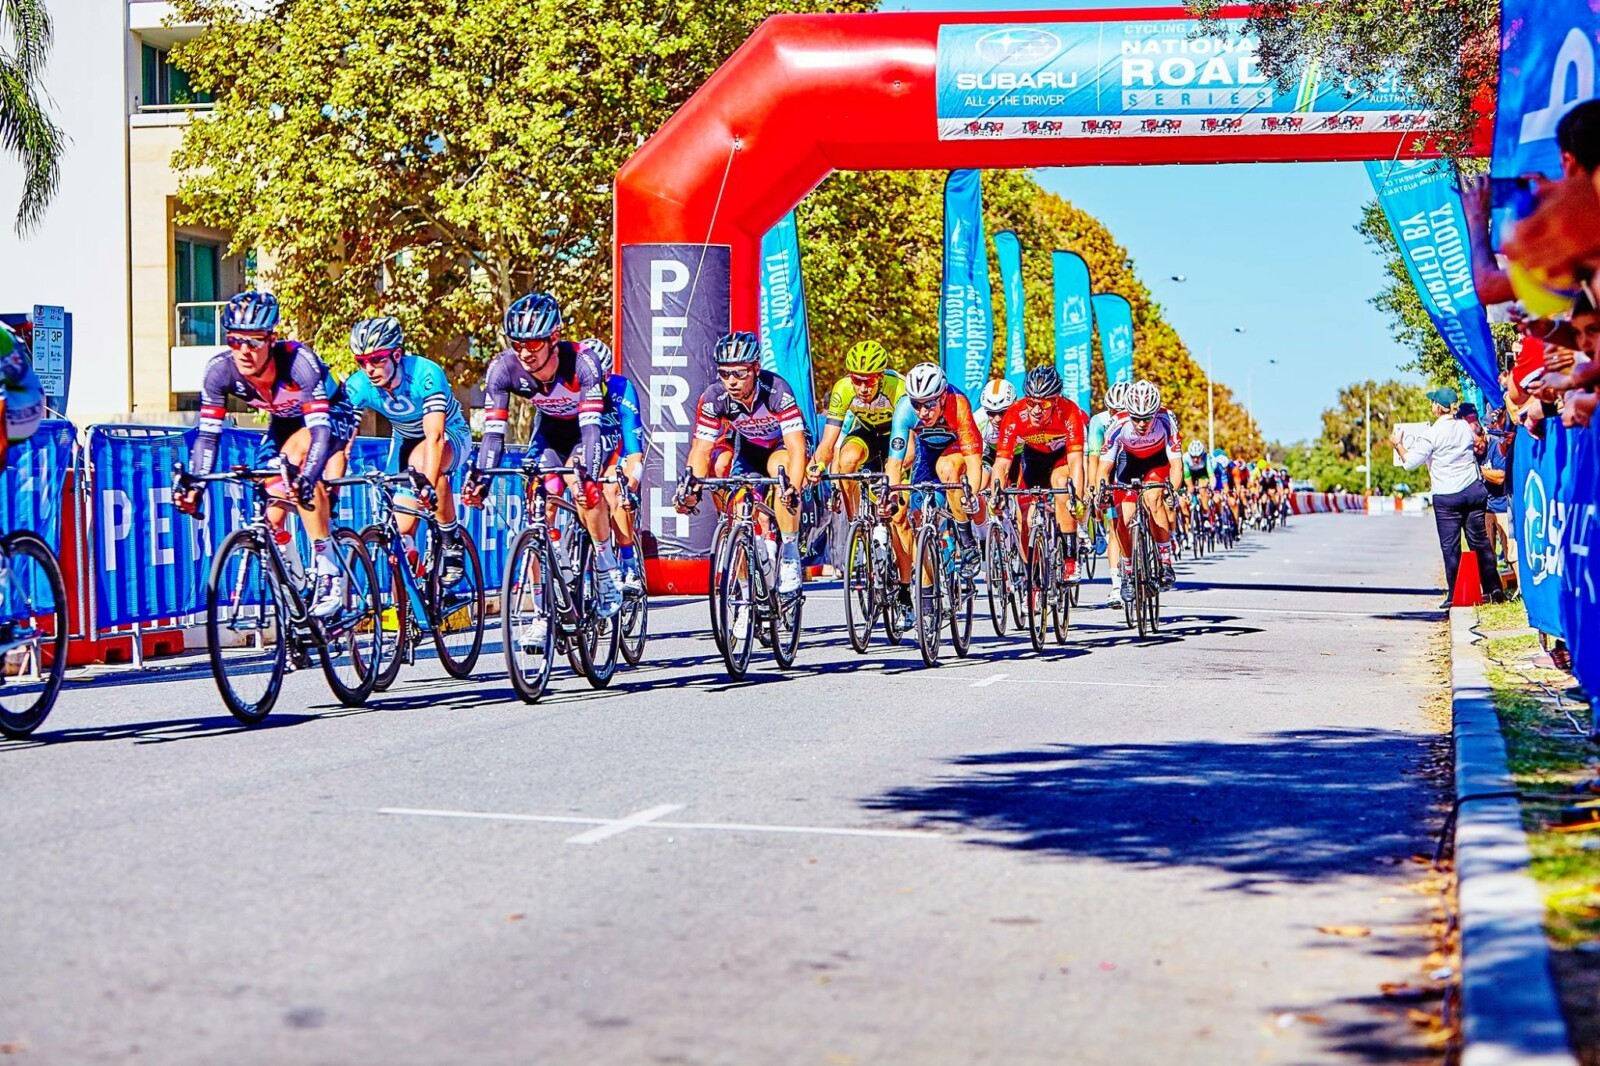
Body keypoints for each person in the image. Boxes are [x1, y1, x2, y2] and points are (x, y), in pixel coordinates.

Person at [174, 291, 357, 618]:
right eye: (235, 340)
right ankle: (299, 593)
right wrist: (195, 487)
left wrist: (308, 478)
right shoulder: (219, 371)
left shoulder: (299, 362)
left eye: (255, 342)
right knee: (271, 521)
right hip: (284, 422)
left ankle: (329, 571)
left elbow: (318, 432)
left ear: (272, 340)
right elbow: (207, 436)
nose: (244, 350)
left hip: (331, 417)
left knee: (295, 465)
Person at [463, 292, 622, 618]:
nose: (524, 353)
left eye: (533, 344)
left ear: (554, 338)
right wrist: (482, 479)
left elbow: (591, 431)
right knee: (539, 508)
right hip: (550, 433)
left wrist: (586, 475)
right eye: (517, 343)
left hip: (586, 431)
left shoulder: (582, 363)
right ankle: (540, 612)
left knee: (584, 490)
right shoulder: (502, 369)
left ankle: (606, 567)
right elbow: (494, 435)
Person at [675, 331, 809, 595]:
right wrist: (691, 488)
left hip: (781, 446)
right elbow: (701, 451)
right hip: (749, 448)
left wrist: (793, 488)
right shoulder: (714, 398)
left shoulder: (777, 391)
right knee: (738, 511)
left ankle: (791, 554)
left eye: (739, 373)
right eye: (725, 374)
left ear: (756, 368)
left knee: (781, 475)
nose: (731, 381)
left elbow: (796, 447)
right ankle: (745, 594)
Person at [341, 316, 473, 584]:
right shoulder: (359, 385)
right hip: (404, 440)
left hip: (449, 434)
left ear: (397, 354)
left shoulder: (425, 373)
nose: (369, 368)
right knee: (402, 533)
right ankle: (419, 594)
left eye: (377, 359)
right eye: (362, 361)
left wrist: (427, 484)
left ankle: (451, 540)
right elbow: (343, 442)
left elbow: (435, 437)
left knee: (426, 465)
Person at [1392, 386, 1505, 607]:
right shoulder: (1464, 427)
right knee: (1479, 541)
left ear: (1437, 407)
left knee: (1450, 545)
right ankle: (1494, 589)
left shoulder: (1432, 434)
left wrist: (1398, 444)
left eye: (1433, 402)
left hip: (1447, 496)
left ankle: (1455, 595)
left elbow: (1409, 463)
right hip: (1472, 490)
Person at [987, 366, 1087, 582]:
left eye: (1044, 404)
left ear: (1056, 399)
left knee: (1062, 486)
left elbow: (1076, 461)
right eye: (1031, 402)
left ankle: (1070, 560)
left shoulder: (1070, 412)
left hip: (1061, 458)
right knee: (1024, 514)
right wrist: (996, 493)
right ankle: (1031, 572)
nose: (1036, 410)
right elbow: (1002, 463)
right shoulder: (1014, 414)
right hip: (1034, 458)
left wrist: (1075, 498)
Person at [885, 362, 984, 579]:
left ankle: (967, 543)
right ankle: (928, 598)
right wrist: (891, 497)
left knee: (947, 469)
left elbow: (974, 461)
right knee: (919, 519)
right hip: (927, 452)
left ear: (941, 397)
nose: (922, 412)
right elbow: (894, 463)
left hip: (957, 449)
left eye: (928, 404)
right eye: (916, 404)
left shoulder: (958, 404)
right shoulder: (904, 410)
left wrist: (972, 495)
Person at [808, 340, 906, 519]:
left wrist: (891, 481)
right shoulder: (843, 389)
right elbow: (828, 444)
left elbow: (910, 449)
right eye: (856, 380)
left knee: (898, 521)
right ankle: (856, 527)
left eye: (869, 381)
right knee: (847, 460)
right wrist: (817, 465)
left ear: (881, 376)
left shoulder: (898, 387)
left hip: (897, 437)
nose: (863, 388)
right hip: (868, 433)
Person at [1101, 379, 1181, 591]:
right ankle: (1127, 571)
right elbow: (1104, 467)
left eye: (1147, 418)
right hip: (1129, 462)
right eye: (1136, 418)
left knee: (1153, 499)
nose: (1142, 424)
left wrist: (1171, 490)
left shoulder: (1166, 419)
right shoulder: (1117, 424)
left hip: (1157, 462)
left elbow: (1176, 465)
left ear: (1155, 412)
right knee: (1123, 518)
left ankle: (1165, 563)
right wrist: (1100, 489)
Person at [1086, 381, 1130, 607]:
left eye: (1122, 411)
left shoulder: (1139, 421)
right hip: (1108, 465)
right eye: (1113, 411)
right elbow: (1094, 459)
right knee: (1115, 527)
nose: (1117, 416)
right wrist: (1094, 488)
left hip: (1132, 463)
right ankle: (1116, 585)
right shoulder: (1099, 422)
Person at [1480, 406, 1516, 590]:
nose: (1476, 448)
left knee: (1511, 552)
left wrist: (1479, 471)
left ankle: (1521, 588)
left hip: (1502, 505)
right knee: (1487, 553)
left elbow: (1501, 476)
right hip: (1485, 508)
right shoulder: (1471, 451)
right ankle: (1493, 589)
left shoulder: (1495, 445)